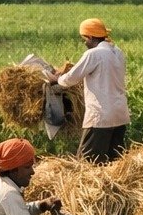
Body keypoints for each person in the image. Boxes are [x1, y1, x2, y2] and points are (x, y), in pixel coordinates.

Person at [53, 18, 130, 163]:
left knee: (86, 162)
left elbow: (71, 78)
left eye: (85, 38)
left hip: (101, 116)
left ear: (91, 37)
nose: (84, 42)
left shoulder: (94, 54)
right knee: (114, 162)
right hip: (120, 114)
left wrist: (57, 80)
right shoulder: (117, 52)